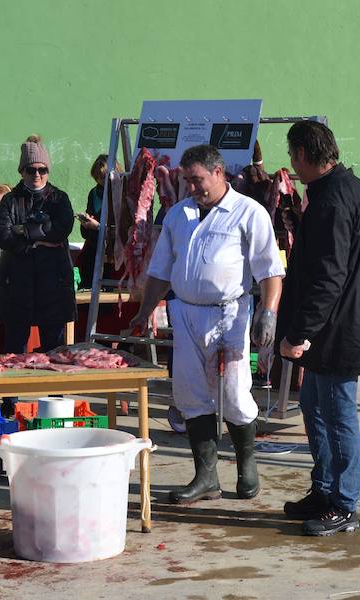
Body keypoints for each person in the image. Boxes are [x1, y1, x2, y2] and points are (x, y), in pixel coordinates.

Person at [129, 144, 284, 505]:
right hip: (185, 314)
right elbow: (159, 270)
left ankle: (247, 465)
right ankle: (206, 477)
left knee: (232, 393)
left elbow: (270, 269)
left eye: (197, 180)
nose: (192, 188)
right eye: (187, 181)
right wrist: (143, 310)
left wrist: (269, 312)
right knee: (190, 395)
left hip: (229, 314)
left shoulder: (249, 212)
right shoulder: (178, 215)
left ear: (219, 173)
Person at [276, 121, 360, 537]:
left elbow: (328, 277)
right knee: (315, 409)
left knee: (339, 417)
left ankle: (343, 503)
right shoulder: (343, 190)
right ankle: (323, 491)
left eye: (292, 155)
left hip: (340, 329)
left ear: (304, 153)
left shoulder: (334, 200)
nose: (291, 163)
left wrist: (299, 332)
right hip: (333, 328)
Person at [0, 135, 75, 416]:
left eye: (42, 169)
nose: (37, 175)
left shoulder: (59, 198)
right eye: (31, 170)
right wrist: (36, 235)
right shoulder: (10, 200)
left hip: (53, 282)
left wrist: (23, 232)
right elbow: (2, 235)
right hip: (17, 283)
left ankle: (57, 400)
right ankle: (9, 400)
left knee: (54, 346)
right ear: (21, 171)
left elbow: (62, 229)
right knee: (14, 346)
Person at [76, 155, 107, 289]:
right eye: (97, 178)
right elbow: (87, 232)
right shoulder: (93, 193)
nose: (99, 181)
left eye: (102, 178)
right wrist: (86, 222)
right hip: (91, 252)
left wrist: (99, 227)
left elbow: (121, 230)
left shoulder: (120, 195)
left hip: (110, 257)